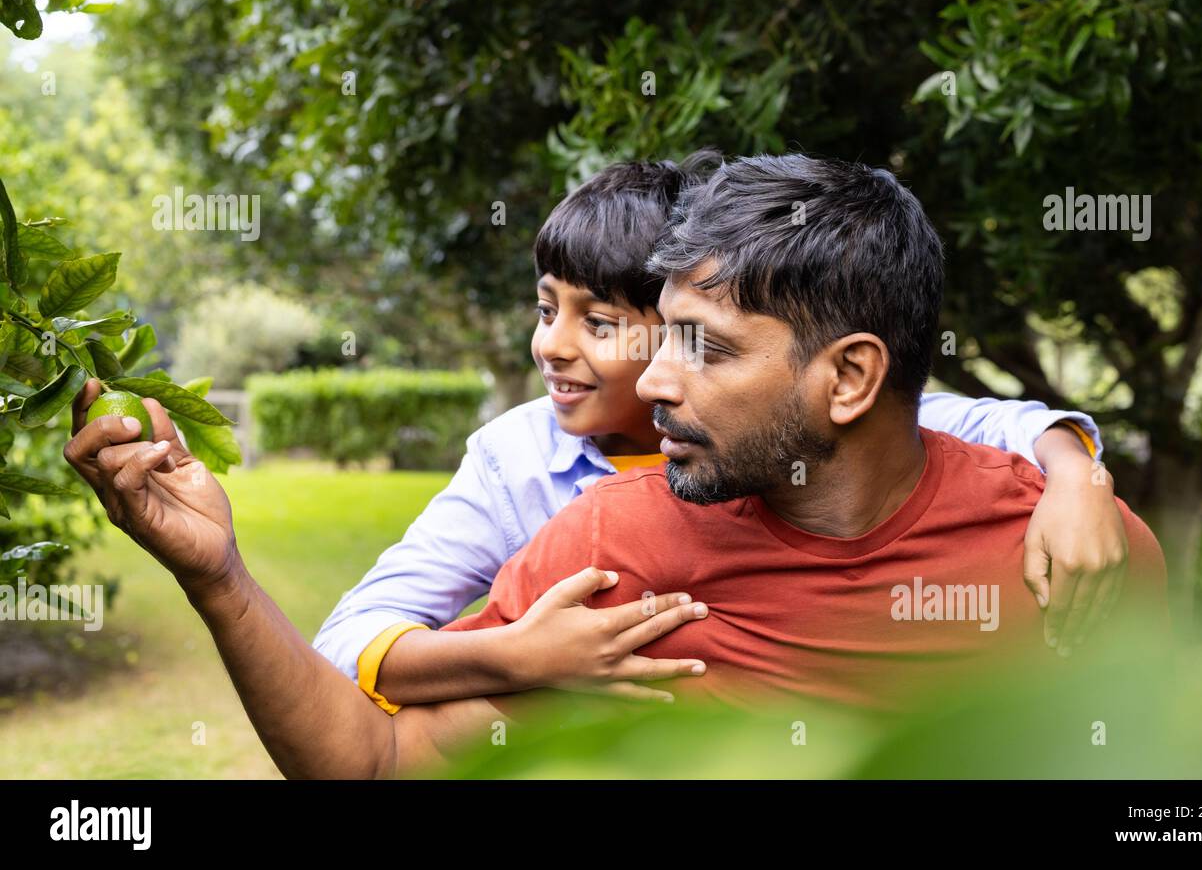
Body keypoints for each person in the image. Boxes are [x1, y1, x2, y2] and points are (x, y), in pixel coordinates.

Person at [62, 153, 1142, 779]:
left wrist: (1072, 464)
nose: (656, 382)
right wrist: (220, 577)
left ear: (850, 378)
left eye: (700, 346)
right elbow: (369, 760)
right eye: (657, 335)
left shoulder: (1069, 557)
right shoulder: (601, 555)